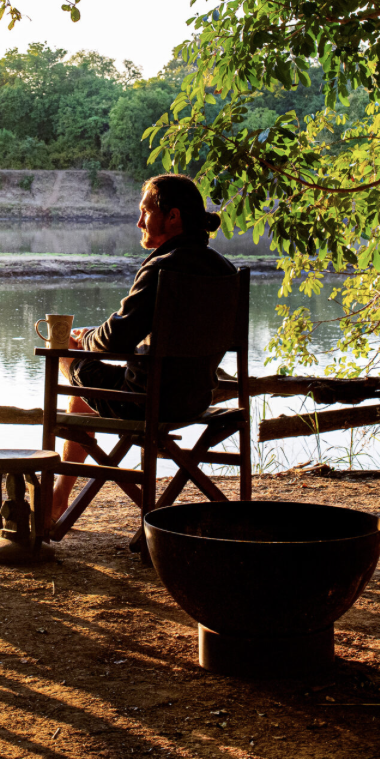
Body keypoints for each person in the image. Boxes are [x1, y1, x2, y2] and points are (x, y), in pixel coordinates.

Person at [49, 173, 235, 522]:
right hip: (196, 398)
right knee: (84, 394)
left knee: (68, 360)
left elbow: (116, 338)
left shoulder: (164, 267)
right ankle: (58, 497)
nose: (138, 222)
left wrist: (80, 343)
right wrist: (99, 335)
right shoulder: (224, 270)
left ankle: (54, 501)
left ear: (173, 216)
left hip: (147, 403)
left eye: (145, 212)